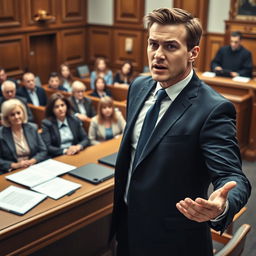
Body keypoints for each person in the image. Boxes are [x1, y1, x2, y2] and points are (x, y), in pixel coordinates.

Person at [111, 8, 251, 256]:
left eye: (171, 47)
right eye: (153, 44)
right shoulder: (139, 86)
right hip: (127, 226)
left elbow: (233, 177)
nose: (158, 55)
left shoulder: (214, 109)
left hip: (173, 241)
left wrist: (222, 205)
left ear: (192, 53)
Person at [0, 99, 47, 174]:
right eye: (12, 115)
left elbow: (43, 150)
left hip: (33, 168)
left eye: (18, 113)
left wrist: (32, 161)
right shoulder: (1, 133)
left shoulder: (32, 127)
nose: (17, 117)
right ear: (7, 117)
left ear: (23, 113)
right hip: (12, 171)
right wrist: (15, 165)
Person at [41, 93, 90, 157]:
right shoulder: (47, 123)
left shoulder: (74, 120)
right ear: (52, 110)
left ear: (66, 106)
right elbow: (48, 147)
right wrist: (65, 151)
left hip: (75, 153)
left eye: (62, 105)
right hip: (58, 156)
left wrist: (78, 147)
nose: (60, 109)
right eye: (56, 107)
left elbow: (85, 139)